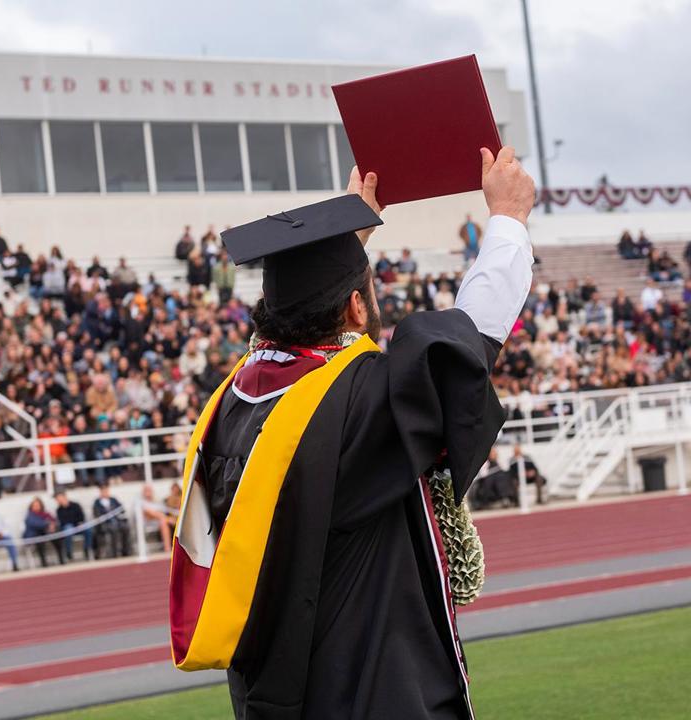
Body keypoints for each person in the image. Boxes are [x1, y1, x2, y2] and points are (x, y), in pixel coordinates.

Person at [170, 146, 535, 719]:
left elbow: (305, 333)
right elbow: (469, 344)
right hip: (368, 692)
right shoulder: (359, 405)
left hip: (275, 695)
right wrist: (509, 220)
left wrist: (342, 244)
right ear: (358, 309)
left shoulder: (231, 404)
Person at [23, 497, 65, 567]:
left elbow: (55, 521)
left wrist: (53, 526)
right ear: (31, 507)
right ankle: (43, 562)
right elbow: (36, 524)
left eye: (38, 505)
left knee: (56, 538)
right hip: (34, 535)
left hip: (45, 533)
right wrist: (48, 524)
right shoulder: (30, 515)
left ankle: (61, 558)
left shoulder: (45, 514)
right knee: (40, 540)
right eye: (35, 505)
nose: (37, 507)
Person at [92, 484, 130, 558]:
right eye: (103, 491)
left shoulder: (113, 499)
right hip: (106, 523)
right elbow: (96, 514)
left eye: (106, 490)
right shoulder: (97, 502)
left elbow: (122, 509)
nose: (105, 492)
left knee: (125, 528)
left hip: (117, 521)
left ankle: (125, 551)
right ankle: (114, 552)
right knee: (113, 529)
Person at [55, 490, 93, 561]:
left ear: (64, 497)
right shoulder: (59, 510)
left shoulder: (76, 505)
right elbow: (63, 522)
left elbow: (81, 517)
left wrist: (77, 523)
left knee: (88, 529)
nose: (58, 500)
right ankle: (69, 552)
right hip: (69, 529)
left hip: (78, 526)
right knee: (68, 528)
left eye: (59, 498)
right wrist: (73, 522)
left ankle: (87, 548)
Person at [140, 484, 175, 552]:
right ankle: (167, 548)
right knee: (163, 521)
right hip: (150, 523)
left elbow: (166, 510)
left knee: (165, 520)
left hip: (162, 521)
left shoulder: (157, 501)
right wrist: (167, 518)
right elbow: (150, 513)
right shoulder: (142, 502)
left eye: (149, 490)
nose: (148, 492)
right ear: (143, 492)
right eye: (146, 491)